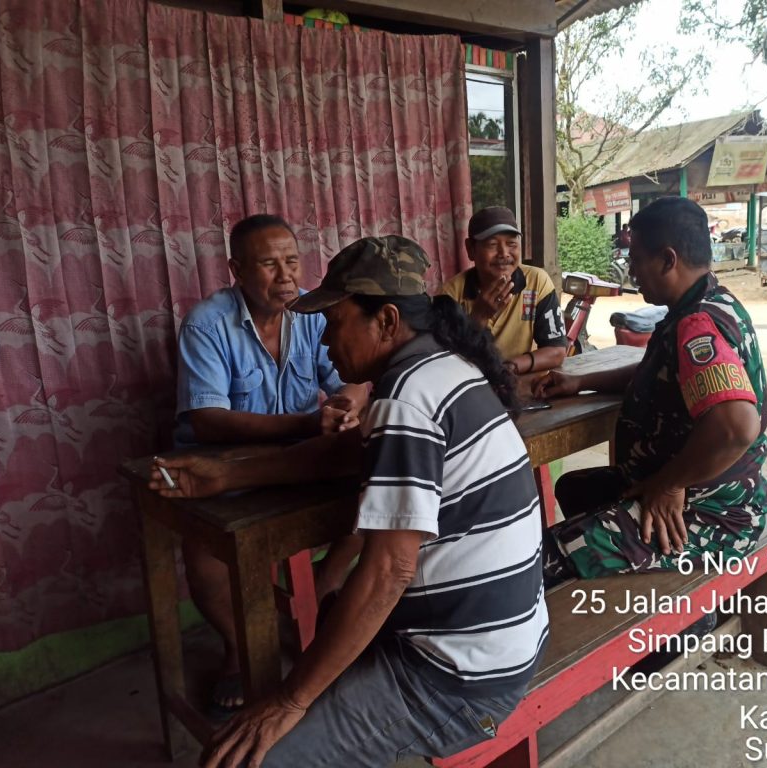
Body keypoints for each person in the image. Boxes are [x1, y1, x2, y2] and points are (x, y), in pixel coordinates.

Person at [150, 236, 549, 768]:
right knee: (336, 613)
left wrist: (289, 701)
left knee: (247, 759)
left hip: (456, 680)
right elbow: (349, 452)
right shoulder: (444, 367)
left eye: (334, 323)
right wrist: (225, 475)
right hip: (503, 644)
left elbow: (389, 571)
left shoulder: (406, 398)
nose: (325, 341)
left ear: (386, 321)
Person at [174, 213, 368, 714]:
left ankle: (321, 593)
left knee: (378, 481)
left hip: (298, 455)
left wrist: (347, 404)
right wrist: (307, 423)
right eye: (268, 264)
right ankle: (239, 646)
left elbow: (351, 378)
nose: (285, 276)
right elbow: (207, 420)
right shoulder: (207, 323)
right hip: (226, 463)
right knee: (204, 552)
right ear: (236, 270)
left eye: (292, 262)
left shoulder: (310, 313)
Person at [533, 197, 767, 580]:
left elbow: (736, 428)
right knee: (576, 488)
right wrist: (579, 382)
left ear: (667, 260)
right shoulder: (714, 301)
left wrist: (669, 485)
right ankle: (618, 574)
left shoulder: (696, 325)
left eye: (636, 259)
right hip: (693, 487)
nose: (632, 271)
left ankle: (659, 602)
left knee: (543, 556)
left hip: (710, 513)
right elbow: (660, 372)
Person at [440, 206, 567, 376]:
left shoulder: (536, 282)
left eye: (511, 244)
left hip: (520, 380)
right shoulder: (450, 295)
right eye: (492, 245)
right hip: (472, 385)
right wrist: (479, 317)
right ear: (471, 249)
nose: (504, 253)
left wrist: (509, 368)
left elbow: (557, 351)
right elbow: (445, 363)